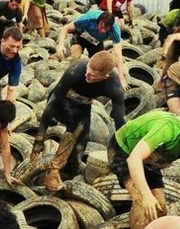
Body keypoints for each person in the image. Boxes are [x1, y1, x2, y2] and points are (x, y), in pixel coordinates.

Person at [33, 51, 125, 191]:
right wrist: (39, 138)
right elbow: (52, 104)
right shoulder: (76, 71)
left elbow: (119, 119)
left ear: (104, 77)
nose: (87, 75)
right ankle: (53, 170)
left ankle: (67, 176)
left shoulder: (114, 87)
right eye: (88, 69)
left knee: (82, 141)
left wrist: (123, 148)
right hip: (61, 99)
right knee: (77, 127)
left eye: (93, 75)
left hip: (83, 105)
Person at [55, 9, 126, 81]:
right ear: (98, 22)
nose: (103, 30)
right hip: (81, 37)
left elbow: (118, 55)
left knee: (99, 66)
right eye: (101, 27)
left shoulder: (115, 30)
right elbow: (65, 28)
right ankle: (66, 75)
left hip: (96, 42)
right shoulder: (88, 18)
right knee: (75, 56)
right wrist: (61, 45)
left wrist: (121, 78)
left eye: (106, 28)